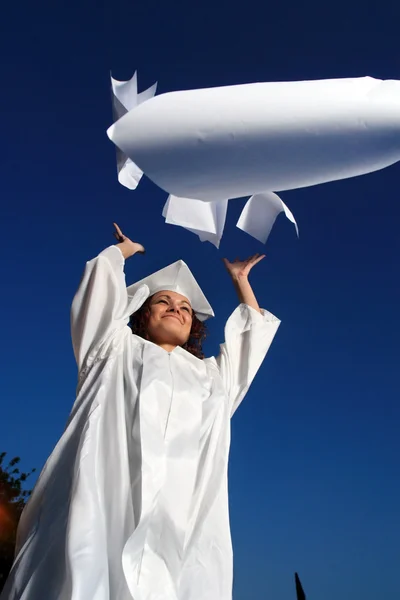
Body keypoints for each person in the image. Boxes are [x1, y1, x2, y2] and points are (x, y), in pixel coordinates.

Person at [1, 224, 280, 600]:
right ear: (142, 314)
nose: (176, 309)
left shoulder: (211, 378)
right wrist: (122, 253)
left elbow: (250, 345)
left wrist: (241, 281)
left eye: (184, 308)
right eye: (163, 302)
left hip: (180, 519)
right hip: (108, 503)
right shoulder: (113, 351)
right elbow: (98, 303)